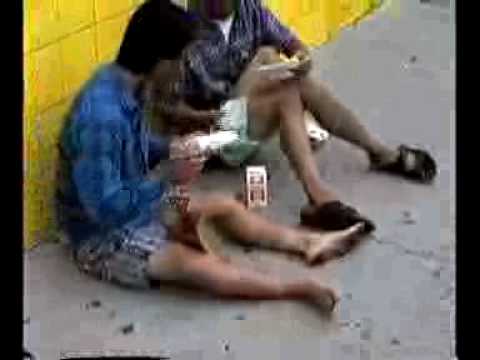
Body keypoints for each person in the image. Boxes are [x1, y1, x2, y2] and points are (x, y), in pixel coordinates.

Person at [56, 0, 365, 312]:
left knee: (223, 204)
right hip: (99, 236)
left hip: (136, 201)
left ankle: (308, 244)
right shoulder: (101, 118)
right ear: (160, 61)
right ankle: (295, 289)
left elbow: (134, 144)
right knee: (191, 263)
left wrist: (173, 149)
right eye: (180, 60)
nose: (182, 69)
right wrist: (171, 183)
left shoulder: (123, 85)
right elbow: (105, 207)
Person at [171, 0, 437, 232]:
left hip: (248, 116)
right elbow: (165, 109)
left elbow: (292, 43)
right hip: (216, 133)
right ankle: (319, 194)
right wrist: (204, 117)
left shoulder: (249, 9)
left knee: (293, 80)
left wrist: (302, 57)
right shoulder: (182, 29)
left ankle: (373, 155)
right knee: (268, 61)